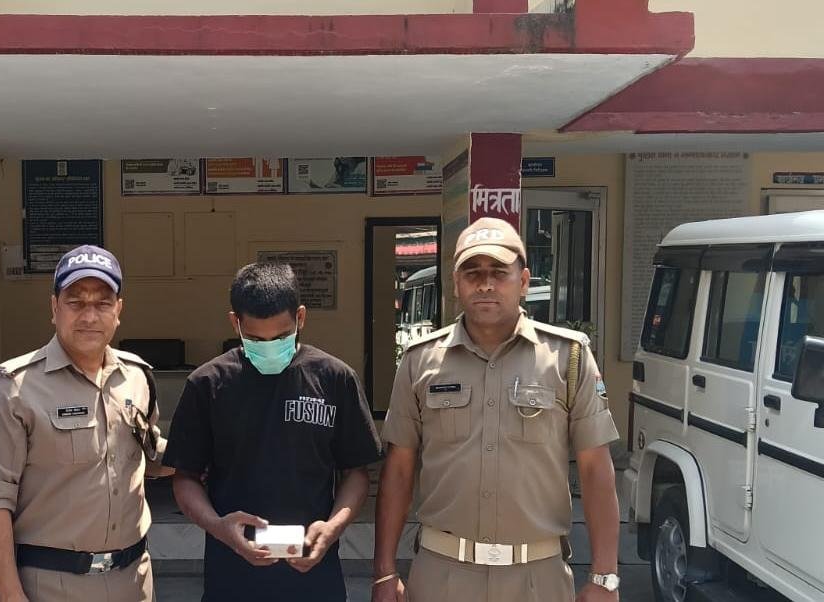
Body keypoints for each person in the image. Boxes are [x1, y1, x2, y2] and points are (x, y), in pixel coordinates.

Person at [373, 217, 621, 602]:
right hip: (443, 576)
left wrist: (604, 577)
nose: (485, 284)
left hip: (537, 578)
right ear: (455, 283)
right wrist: (384, 572)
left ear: (523, 281)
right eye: (472, 273)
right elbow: (399, 468)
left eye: (499, 272)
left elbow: (595, 470)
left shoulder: (568, 357)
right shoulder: (420, 361)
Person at [163, 262, 382, 602]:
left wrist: (332, 528)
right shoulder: (208, 385)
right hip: (232, 579)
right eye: (255, 339)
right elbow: (185, 477)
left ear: (300, 318)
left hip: (315, 579)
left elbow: (355, 472)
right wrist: (219, 527)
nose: (268, 347)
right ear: (235, 322)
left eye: (281, 337)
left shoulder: (335, 379)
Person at [0, 244, 171, 602]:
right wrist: (8, 591)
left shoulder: (137, 378)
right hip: (50, 585)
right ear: (54, 308)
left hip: (133, 580)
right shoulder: (15, 389)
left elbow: (147, 455)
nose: (89, 316)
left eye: (102, 303)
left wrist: (212, 453)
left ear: (118, 310)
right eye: (76, 302)